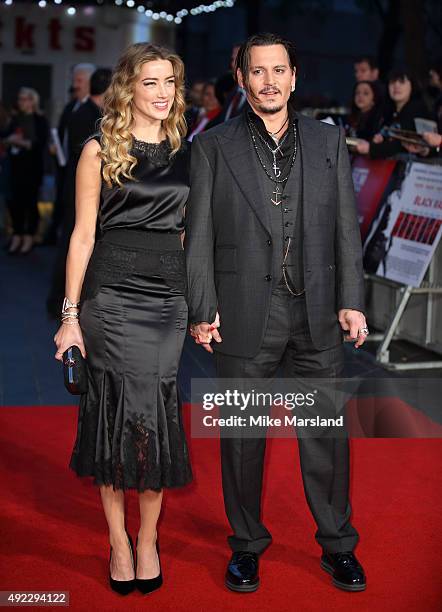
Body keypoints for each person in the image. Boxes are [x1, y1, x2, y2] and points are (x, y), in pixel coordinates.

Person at [185, 32, 369, 594]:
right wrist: (202, 307)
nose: (269, 81)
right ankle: (245, 547)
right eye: (257, 71)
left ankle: (337, 545)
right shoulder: (213, 147)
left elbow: (345, 228)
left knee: (326, 435)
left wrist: (352, 301)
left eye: (278, 70)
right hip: (242, 315)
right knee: (242, 437)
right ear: (242, 79)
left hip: (316, 312)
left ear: (294, 77)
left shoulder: (328, 141)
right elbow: (199, 237)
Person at [53, 43, 192, 596]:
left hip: (167, 303)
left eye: (171, 83)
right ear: (128, 88)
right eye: (152, 82)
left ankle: (149, 538)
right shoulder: (99, 149)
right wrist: (70, 317)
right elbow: (83, 236)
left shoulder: (189, 151)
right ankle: (118, 541)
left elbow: (189, 233)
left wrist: (198, 300)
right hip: (110, 298)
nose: (163, 93)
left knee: (153, 419)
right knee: (114, 417)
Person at [47, 68, 112, 318]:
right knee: (75, 242)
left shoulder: (79, 109)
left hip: (74, 187)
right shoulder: (88, 115)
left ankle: (61, 301)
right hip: (80, 190)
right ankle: (64, 302)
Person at [45, 63, 96, 245]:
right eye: (74, 80)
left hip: (79, 169)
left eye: (80, 80)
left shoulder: (93, 110)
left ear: (91, 82)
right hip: (64, 167)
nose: (75, 84)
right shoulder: (71, 106)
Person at [3, 87, 48, 254]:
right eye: (19, 99)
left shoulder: (39, 120)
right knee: (14, 203)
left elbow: (38, 144)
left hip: (32, 169)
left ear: (32, 101)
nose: (20, 102)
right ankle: (17, 234)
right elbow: (5, 137)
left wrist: (19, 142)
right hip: (14, 167)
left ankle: (29, 236)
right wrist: (11, 140)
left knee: (30, 203)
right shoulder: (15, 119)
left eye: (24, 99)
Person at [355, 68, 433, 158]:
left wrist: (371, 148)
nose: (396, 86)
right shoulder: (388, 110)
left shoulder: (417, 109)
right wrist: (380, 139)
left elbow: (401, 144)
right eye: (392, 82)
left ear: (412, 85)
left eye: (401, 82)